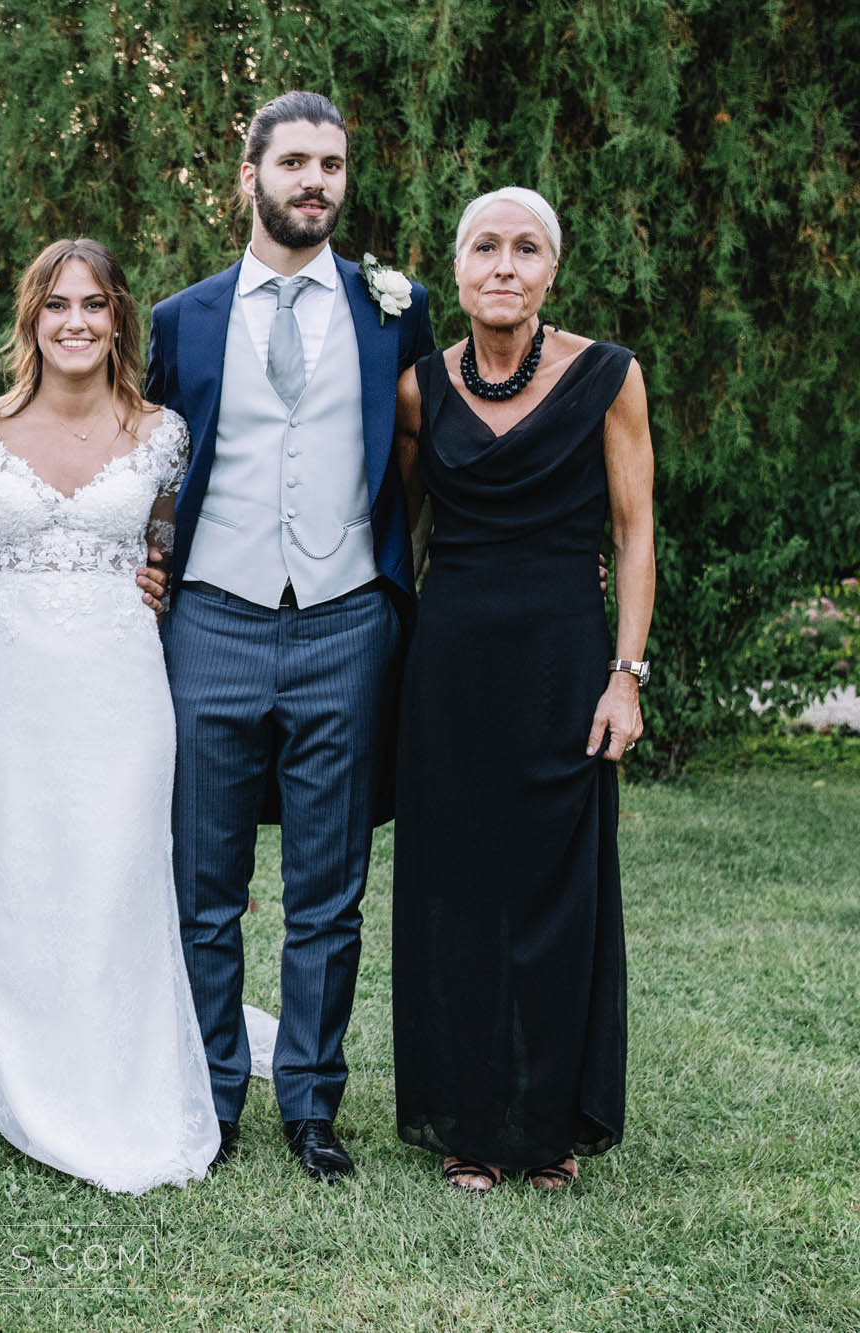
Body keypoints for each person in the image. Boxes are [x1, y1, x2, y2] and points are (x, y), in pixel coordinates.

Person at [140, 91, 436, 1182]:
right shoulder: (180, 319)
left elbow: (423, 449)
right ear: (251, 174)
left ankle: (309, 1104)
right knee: (202, 886)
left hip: (346, 622)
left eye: (332, 165)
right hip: (208, 618)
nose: (314, 182)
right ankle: (211, 1097)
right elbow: (149, 459)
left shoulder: (391, 308)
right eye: (294, 163)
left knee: (329, 886)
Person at [391, 188, 652, 1193]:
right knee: (455, 894)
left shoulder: (607, 378)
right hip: (449, 668)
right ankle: (466, 1118)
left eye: (525, 248)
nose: (503, 264)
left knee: (556, 890)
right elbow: (396, 531)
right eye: (483, 247)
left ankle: (547, 1125)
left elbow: (632, 532)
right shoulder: (419, 388)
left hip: (563, 662)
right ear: (454, 269)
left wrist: (622, 677)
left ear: (552, 268)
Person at [0, 239, 220, 1192]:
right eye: (57, 304)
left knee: (115, 871)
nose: (75, 321)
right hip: (15, 687)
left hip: (121, 683)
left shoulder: (163, 434)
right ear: (31, 318)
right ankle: (22, 1081)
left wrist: (159, 575)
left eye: (94, 305)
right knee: (16, 868)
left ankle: (118, 1081)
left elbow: (173, 548)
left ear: (118, 322)